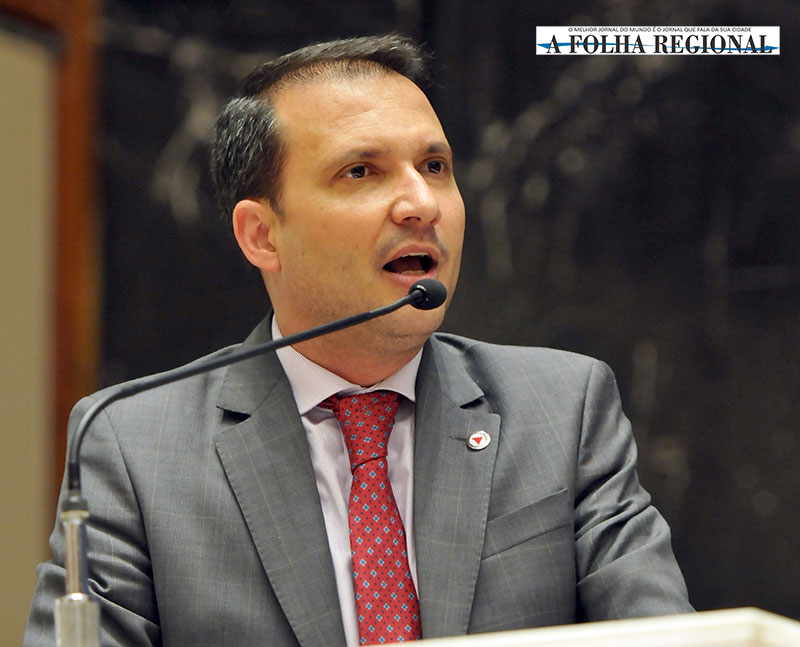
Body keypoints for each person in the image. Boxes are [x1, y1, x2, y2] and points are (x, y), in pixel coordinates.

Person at [25, 34, 692, 646]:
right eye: (361, 172)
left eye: (435, 165)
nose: (421, 203)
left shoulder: (562, 409)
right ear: (262, 235)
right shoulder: (135, 447)